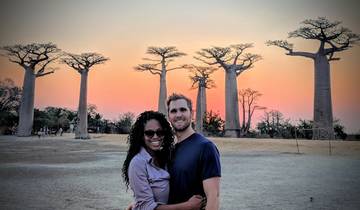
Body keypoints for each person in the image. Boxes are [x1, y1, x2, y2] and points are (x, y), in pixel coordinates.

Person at [122, 111, 203, 210]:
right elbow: (147, 207)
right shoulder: (138, 163)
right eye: (149, 133)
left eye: (160, 132)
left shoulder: (165, 157)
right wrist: (189, 206)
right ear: (141, 136)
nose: (155, 136)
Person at [166, 93, 221, 210]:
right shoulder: (168, 149)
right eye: (173, 111)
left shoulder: (205, 147)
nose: (178, 115)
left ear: (192, 113)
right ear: (168, 116)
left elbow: (213, 197)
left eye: (183, 110)